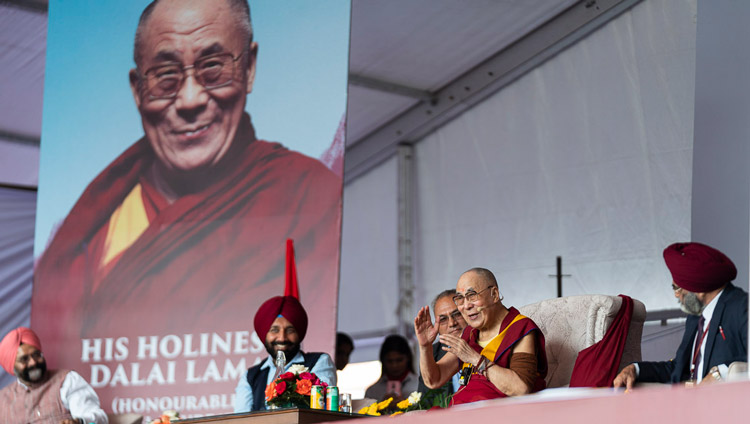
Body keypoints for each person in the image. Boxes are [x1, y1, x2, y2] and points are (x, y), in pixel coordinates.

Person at [32, 0, 341, 380]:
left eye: (213, 67)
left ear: (249, 68)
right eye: (165, 75)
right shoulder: (90, 223)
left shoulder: (305, 194)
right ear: (137, 89)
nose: (191, 100)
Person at [613, 242, 748, 390]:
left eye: (677, 288)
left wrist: (721, 374)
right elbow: (678, 367)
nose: (676, 295)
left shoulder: (742, 307)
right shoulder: (696, 316)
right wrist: (635, 369)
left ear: (698, 288)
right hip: (690, 401)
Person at [415, 267, 547, 405]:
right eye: (460, 299)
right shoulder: (470, 333)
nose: (466, 306)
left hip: (496, 413)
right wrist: (425, 346)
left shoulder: (520, 328)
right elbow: (434, 379)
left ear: (494, 294)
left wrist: (475, 359)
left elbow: (521, 389)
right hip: (462, 410)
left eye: (472, 295)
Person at [234, 296, 336, 412]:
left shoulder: (319, 362)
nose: (282, 338)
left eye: (290, 330)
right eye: (274, 330)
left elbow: (320, 410)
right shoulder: (251, 376)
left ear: (299, 334)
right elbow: (240, 419)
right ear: (264, 335)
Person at [0, 327, 108, 424]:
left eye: (37, 355)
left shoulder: (67, 381)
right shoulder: (2, 400)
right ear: (12, 366)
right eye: (24, 359)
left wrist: (80, 422)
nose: (33, 363)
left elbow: (99, 419)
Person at [417, 289, 467, 395]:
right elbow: (424, 403)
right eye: (443, 319)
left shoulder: (484, 340)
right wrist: (425, 346)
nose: (452, 323)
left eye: (457, 314)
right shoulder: (431, 355)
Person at [364, 335, 419, 402]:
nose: (394, 365)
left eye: (399, 360)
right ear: (383, 361)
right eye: (389, 361)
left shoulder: (420, 385)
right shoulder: (372, 391)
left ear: (408, 358)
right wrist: (381, 406)